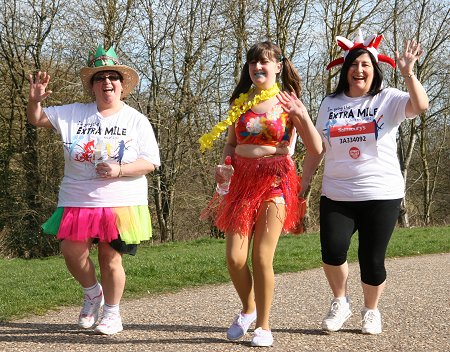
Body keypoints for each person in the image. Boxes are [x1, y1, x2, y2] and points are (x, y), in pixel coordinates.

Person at [301, 31, 429, 335]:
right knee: (332, 251)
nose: (359, 70)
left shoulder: (390, 98)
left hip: (381, 193)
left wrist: (409, 73)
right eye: (354, 65)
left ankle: (371, 311)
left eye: (366, 65)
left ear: (375, 70)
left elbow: (421, 106)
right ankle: (340, 302)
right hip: (337, 191)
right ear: (345, 70)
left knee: (371, 259)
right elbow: (318, 147)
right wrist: (304, 185)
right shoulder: (329, 104)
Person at [27, 46, 160, 335]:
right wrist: (34, 100)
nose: (107, 82)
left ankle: (112, 312)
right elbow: (37, 119)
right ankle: (92, 293)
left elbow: (150, 162)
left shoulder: (136, 120)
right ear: (92, 86)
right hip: (78, 198)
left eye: (113, 77)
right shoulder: (74, 113)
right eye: (100, 78)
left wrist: (120, 170)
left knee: (110, 258)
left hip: (121, 200)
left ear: (122, 86)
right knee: (71, 250)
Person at [199, 41, 322, 347]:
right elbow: (230, 144)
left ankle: (264, 326)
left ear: (278, 66)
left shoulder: (287, 102)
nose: (257, 67)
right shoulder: (239, 102)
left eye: (265, 62)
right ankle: (248, 308)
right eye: (253, 62)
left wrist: (303, 115)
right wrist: (225, 164)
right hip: (241, 182)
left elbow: (317, 149)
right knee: (234, 257)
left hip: (275, 182)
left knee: (261, 257)